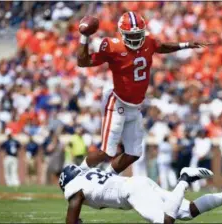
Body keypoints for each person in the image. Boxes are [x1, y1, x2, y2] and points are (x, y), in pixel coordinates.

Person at [77, 11, 211, 175]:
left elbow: (161, 47)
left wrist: (185, 44)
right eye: (130, 35)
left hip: (136, 105)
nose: (135, 39)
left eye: (138, 35)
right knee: (107, 151)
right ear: (122, 33)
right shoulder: (112, 45)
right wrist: (84, 38)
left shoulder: (149, 41)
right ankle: (77, 173)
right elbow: (83, 62)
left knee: (134, 154)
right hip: (117, 102)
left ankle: (106, 177)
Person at [59, 165, 222, 224]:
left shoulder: (74, 189)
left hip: (131, 191)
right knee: (187, 212)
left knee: (165, 223)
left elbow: (74, 205)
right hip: (138, 183)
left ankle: (184, 178)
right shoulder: (87, 177)